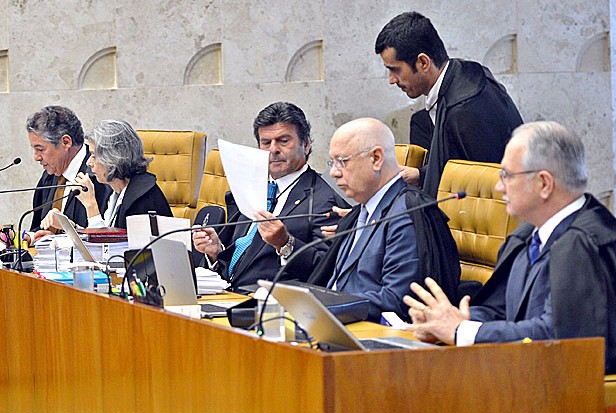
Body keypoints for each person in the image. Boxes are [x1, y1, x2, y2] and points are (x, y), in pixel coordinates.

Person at [404, 121, 616, 373]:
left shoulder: (582, 245)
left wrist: (463, 331)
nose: (499, 186)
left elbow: (559, 338)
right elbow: (502, 311)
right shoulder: (528, 236)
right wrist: (448, 321)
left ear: (544, 183)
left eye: (507, 175)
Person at [308, 118, 460, 323]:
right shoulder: (360, 212)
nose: (334, 172)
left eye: (342, 161)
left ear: (376, 158)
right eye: (332, 162)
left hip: (369, 334)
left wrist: (325, 306)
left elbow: (398, 299)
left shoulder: (405, 214)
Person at [193, 102, 348, 291]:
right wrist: (216, 253)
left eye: (283, 141)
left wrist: (286, 244)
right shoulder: (251, 190)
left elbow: (325, 272)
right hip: (228, 298)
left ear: (306, 144)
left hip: (271, 307)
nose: (273, 150)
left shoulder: (325, 200)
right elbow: (243, 263)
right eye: (266, 142)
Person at [375, 11, 523, 196]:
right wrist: (421, 175)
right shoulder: (464, 74)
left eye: (395, 70)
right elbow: (461, 166)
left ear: (423, 62)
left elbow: (487, 185)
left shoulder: (465, 109)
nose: (391, 80)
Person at [40, 119, 172, 230]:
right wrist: (69, 227)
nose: (89, 163)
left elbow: (110, 250)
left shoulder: (142, 197)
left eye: (93, 156)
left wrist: (91, 205)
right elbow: (107, 234)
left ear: (113, 158)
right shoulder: (117, 191)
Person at [26, 106, 111, 241]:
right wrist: (28, 237)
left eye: (40, 149)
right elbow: (39, 227)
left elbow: (105, 236)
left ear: (66, 142)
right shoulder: (50, 175)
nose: (36, 157)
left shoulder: (99, 177)